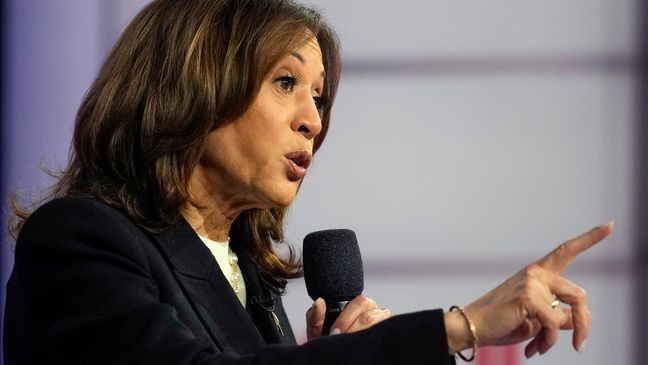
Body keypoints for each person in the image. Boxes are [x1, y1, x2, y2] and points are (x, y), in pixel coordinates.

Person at [3, 0, 613, 364]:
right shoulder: (80, 240)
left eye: (319, 98)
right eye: (286, 83)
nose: (313, 122)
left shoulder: (248, 279)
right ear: (195, 83)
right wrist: (460, 326)